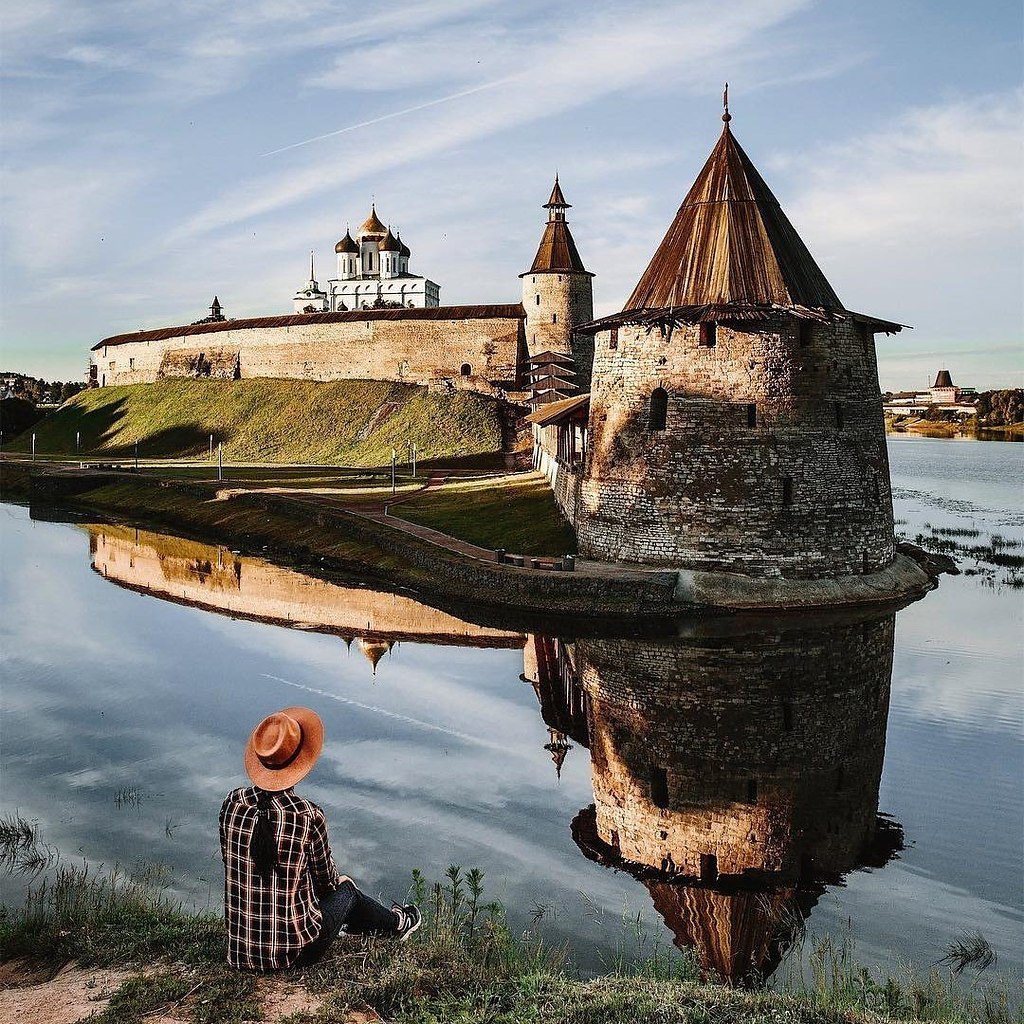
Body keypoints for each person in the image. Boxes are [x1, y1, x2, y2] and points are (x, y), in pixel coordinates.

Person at [219, 706, 420, 971]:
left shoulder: (232, 803)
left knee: (333, 894)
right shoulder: (307, 815)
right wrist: (340, 883)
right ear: (299, 761)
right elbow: (326, 885)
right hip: (295, 955)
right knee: (347, 891)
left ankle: (374, 924)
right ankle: (398, 924)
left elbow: (234, 862)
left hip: (240, 951)